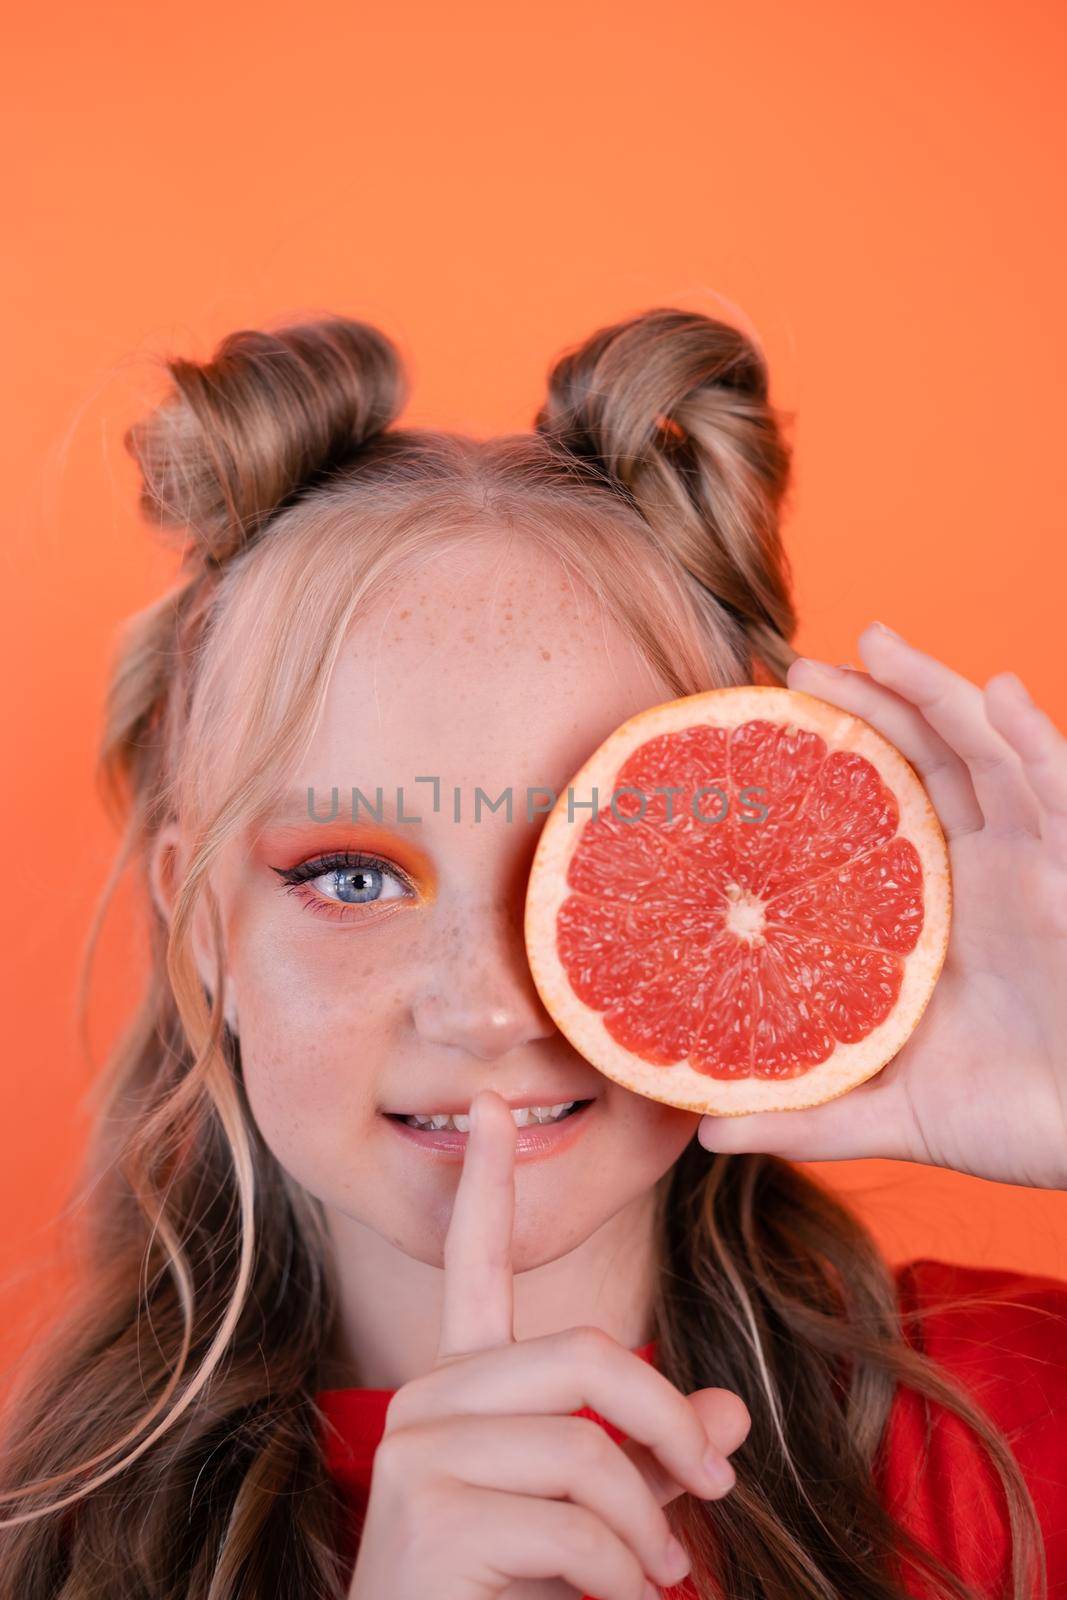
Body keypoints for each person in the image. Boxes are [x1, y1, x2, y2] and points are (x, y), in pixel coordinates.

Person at [0, 308, 1063, 1600]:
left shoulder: (1001, 1430)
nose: (487, 1005)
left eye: (591, 859)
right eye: (351, 876)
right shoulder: (57, 1554)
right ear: (202, 920)